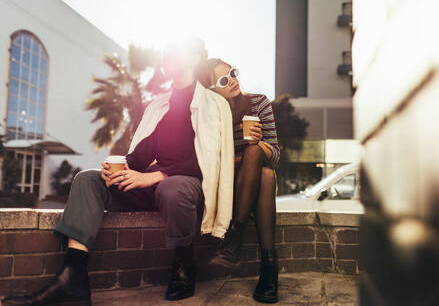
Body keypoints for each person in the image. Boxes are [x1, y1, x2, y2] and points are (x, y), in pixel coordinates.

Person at [1, 37, 234, 306]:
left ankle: (184, 264)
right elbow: (140, 156)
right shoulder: (159, 106)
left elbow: (210, 160)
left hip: (189, 188)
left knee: (173, 188)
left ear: (194, 58)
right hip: (153, 186)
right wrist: (119, 167)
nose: (167, 56)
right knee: (88, 179)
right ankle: (72, 278)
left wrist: (157, 175)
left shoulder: (215, 105)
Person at [197, 58, 281, 303]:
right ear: (211, 91)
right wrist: (245, 159)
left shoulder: (259, 103)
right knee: (256, 162)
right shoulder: (210, 116)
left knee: (264, 171)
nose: (232, 80)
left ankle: (235, 243)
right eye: (224, 80)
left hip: (255, 186)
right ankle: (268, 268)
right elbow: (211, 163)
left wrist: (257, 147)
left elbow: (275, 156)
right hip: (227, 189)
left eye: (232, 72)